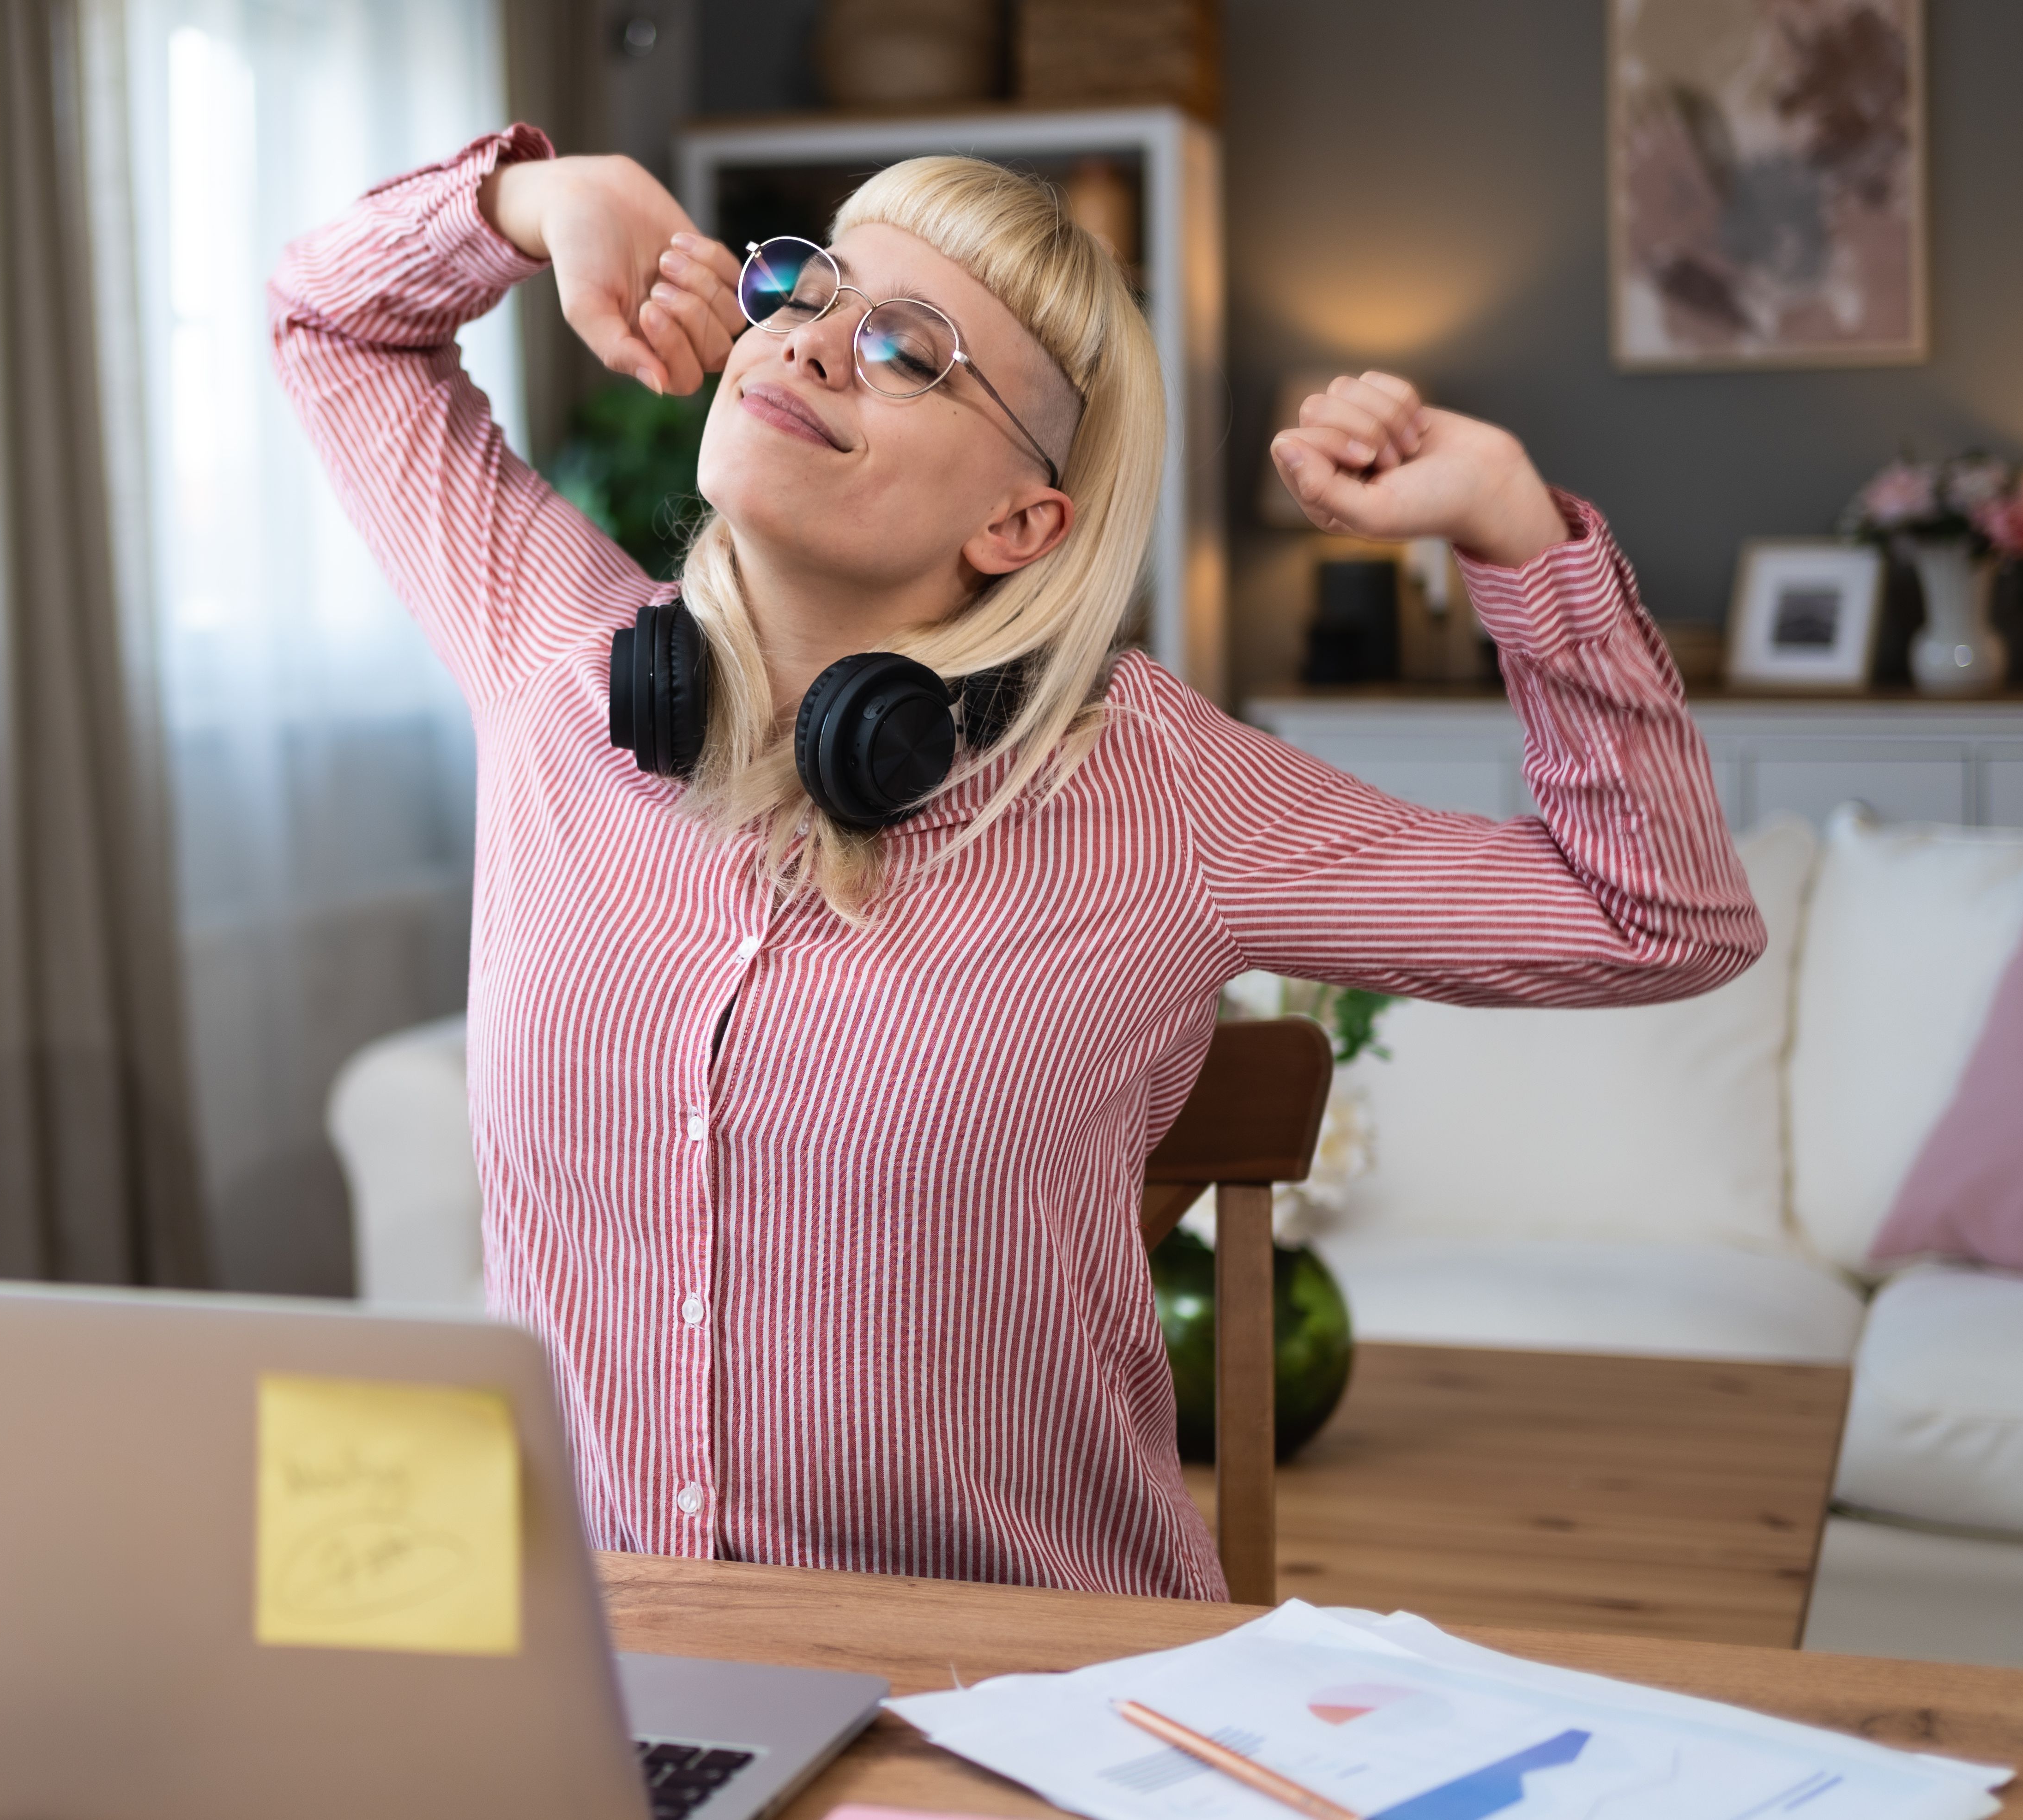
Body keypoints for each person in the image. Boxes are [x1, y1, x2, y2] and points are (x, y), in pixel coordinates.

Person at [270, 126, 1761, 1600]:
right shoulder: (553, 661)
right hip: (607, 1681)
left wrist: (1512, 529)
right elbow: (328, 322)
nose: (813, 343)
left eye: (911, 350)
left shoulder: (1152, 793)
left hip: (1018, 1708)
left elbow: (1660, 917)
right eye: (809, 291)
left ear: (1023, 521)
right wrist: (534, 201)